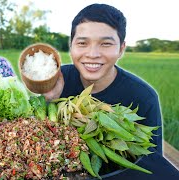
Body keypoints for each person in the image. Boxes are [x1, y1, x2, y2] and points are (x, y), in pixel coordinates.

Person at [44, 3, 163, 154]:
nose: (92, 54)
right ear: (71, 46)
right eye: (82, 43)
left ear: (121, 49)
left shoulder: (144, 97)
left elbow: (153, 161)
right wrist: (49, 100)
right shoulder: (55, 79)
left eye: (106, 44)